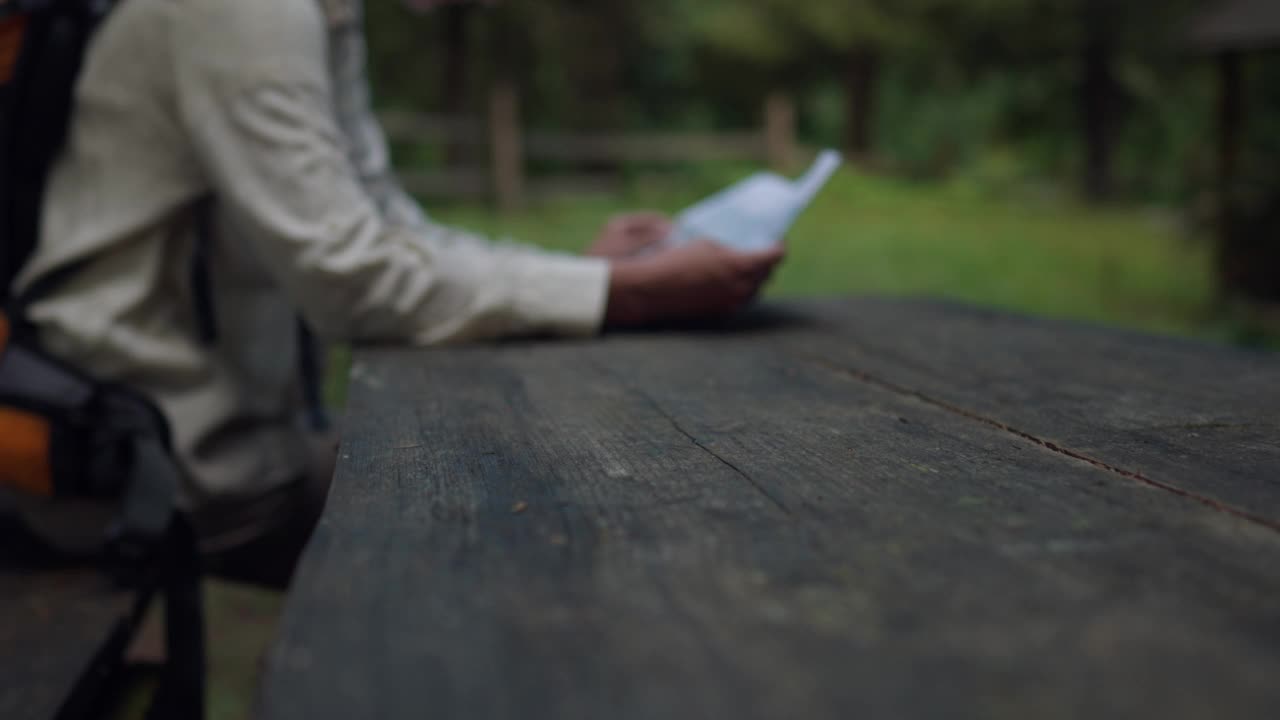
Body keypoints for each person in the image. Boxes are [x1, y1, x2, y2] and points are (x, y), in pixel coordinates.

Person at [16, 0, 784, 588]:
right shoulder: (244, 10)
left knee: (536, 496)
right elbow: (351, 281)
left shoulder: (320, 11)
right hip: (146, 465)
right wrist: (631, 294)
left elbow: (384, 229)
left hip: (213, 445)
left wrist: (583, 273)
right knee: (552, 540)